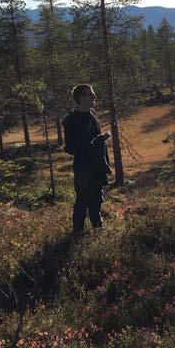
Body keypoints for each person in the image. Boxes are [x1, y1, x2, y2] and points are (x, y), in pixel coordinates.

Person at [61, 84, 112, 236]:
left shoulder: (92, 114)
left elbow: (93, 140)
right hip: (83, 167)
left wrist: (100, 140)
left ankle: (98, 231)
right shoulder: (71, 120)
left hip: (96, 166)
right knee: (82, 200)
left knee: (97, 199)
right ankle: (77, 234)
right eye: (91, 94)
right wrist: (95, 142)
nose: (94, 96)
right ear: (81, 98)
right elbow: (70, 148)